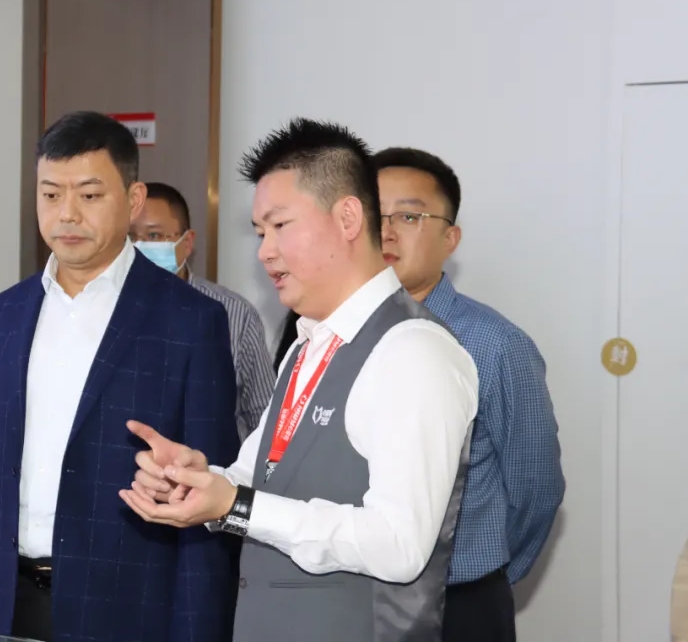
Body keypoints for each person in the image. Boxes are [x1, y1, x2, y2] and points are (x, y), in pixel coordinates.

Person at [119, 118, 479, 642]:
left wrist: (235, 505)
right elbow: (256, 480)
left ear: (348, 217)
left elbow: (399, 546)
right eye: (259, 232)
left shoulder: (413, 350)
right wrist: (197, 479)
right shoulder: (307, 344)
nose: (264, 251)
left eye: (280, 225)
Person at [0, 111, 241, 642]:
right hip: (8, 605)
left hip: (129, 614)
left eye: (90, 195)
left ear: (133, 199)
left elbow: (208, 499)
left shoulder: (190, 321)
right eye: (51, 195)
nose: (67, 214)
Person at [375, 147, 565, 642]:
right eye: (374, 215)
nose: (386, 232)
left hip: (458, 604)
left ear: (450, 238)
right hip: (353, 599)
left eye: (409, 216)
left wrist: (486, 574)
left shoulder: (496, 344)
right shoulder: (333, 336)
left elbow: (536, 488)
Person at [130, 181, 275, 440]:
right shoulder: (108, 310)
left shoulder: (234, 314)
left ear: (187, 243)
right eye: (129, 238)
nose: (138, 247)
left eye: (154, 236)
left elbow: (265, 417)